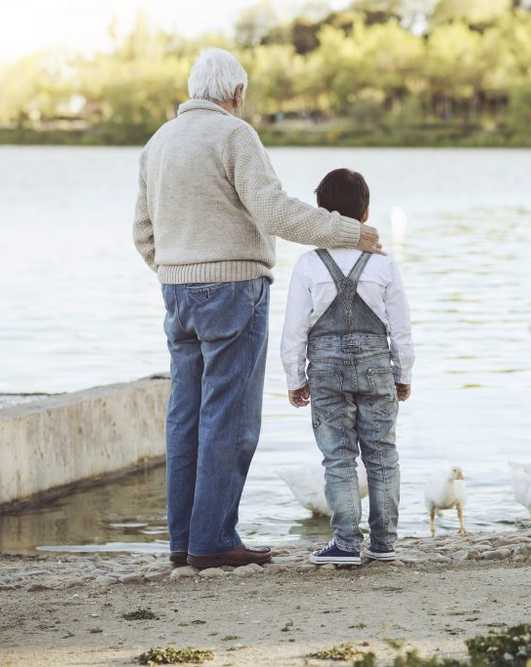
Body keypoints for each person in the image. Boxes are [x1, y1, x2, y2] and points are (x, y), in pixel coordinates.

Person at [132, 49, 382, 570]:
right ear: (237, 94)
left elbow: (142, 231)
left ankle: (183, 541)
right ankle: (214, 540)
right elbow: (274, 212)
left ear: (194, 88)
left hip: (176, 292)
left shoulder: (158, 142)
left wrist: (175, 269)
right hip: (233, 289)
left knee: (185, 415)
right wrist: (349, 232)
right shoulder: (233, 135)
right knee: (231, 416)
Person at [281, 168, 414, 565]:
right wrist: (403, 375)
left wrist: (295, 377)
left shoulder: (308, 265)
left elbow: (294, 330)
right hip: (376, 365)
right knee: (382, 453)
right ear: (366, 214)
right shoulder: (384, 265)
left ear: (322, 215)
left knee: (338, 456)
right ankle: (385, 542)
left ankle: (344, 543)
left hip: (325, 368)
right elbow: (401, 329)